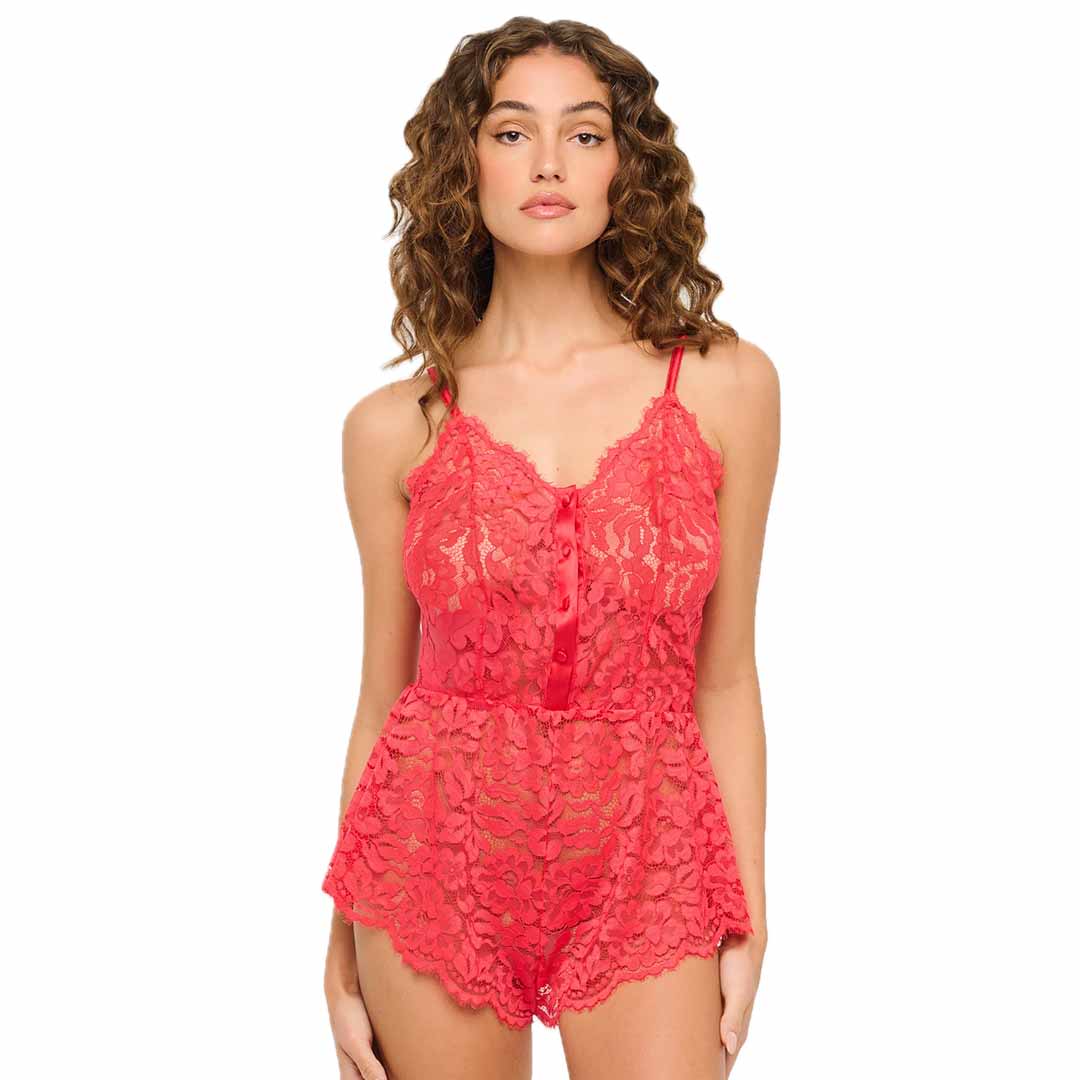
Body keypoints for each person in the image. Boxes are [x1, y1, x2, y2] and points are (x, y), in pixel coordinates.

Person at [321, 17, 779, 1080]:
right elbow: (384, 697)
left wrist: (748, 908)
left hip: (652, 853)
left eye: (583, 134)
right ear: (464, 164)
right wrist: (339, 933)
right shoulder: (394, 426)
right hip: (431, 855)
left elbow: (727, 676)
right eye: (511, 131)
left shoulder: (726, 387)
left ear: (626, 165)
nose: (546, 164)